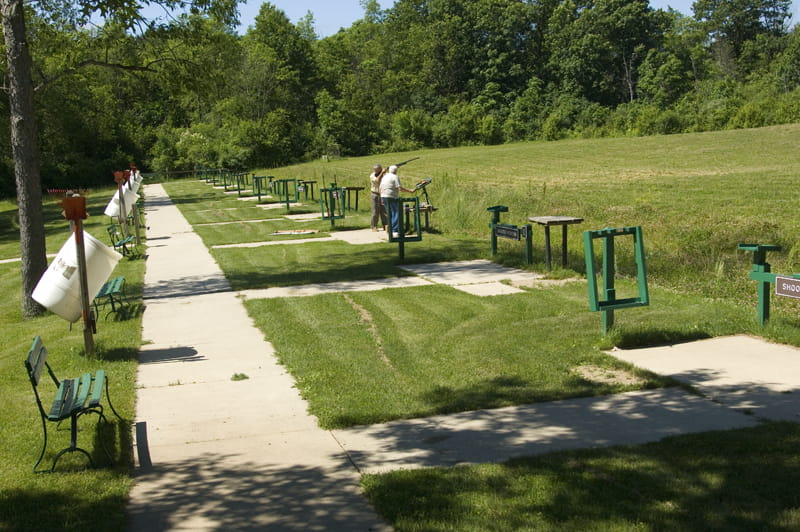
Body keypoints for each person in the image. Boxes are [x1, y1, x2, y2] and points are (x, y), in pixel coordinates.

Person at [379, 165, 415, 238]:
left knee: (391, 213)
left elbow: (380, 188)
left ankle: (390, 229)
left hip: (383, 196)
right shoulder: (395, 177)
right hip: (391, 197)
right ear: (396, 171)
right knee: (397, 212)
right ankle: (394, 231)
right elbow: (399, 188)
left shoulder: (385, 176)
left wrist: (381, 198)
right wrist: (410, 191)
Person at [369, 164, 387, 231]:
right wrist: (382, 173)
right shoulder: (372, 175)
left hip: (383, 194)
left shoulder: (384, 175)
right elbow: (377, 180)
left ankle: (385, 225)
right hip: (375, 194)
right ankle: (374, 226)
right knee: (375, 211)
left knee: (384, 211)